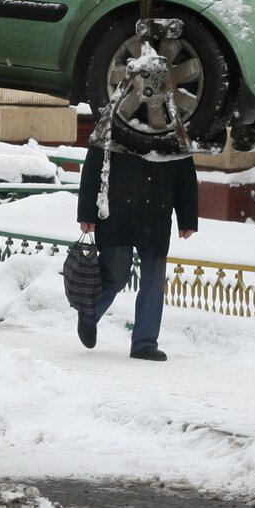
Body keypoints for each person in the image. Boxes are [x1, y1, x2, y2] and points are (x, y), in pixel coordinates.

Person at [76, 143, 197, 361]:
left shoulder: (171, 124)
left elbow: (185, 174)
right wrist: (87, 214)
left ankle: (145, 343)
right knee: (116, 275)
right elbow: (94, 166)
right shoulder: (117, 117)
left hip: (157, 213)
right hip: (118, 213)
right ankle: (89, 314)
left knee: (154, 281)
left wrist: (187, 218)